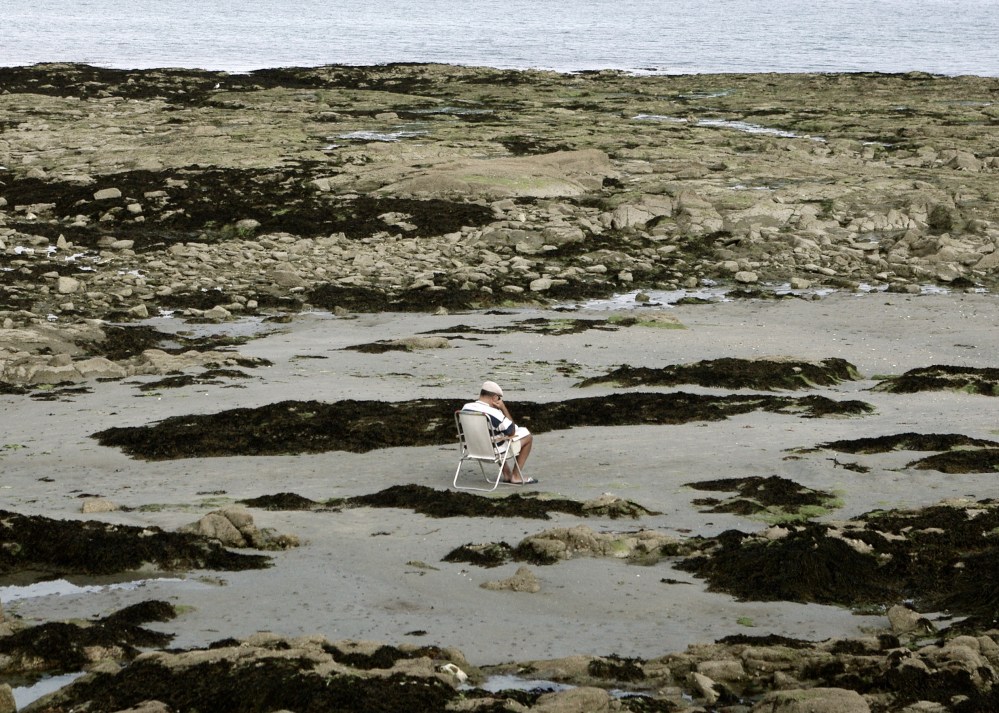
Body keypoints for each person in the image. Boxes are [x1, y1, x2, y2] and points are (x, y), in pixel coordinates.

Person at [462, 380, 536, 485]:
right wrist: (503, 408)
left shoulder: (465, 408)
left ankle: (506, 474)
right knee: (527, 437)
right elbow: (512, 430)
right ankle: (516, 476)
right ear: (495, 398)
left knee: (494, 435)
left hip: (473, 449)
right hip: (492, 452)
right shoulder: (493, 413)